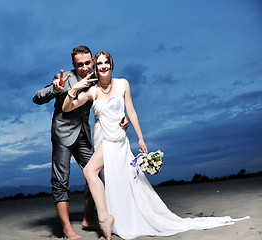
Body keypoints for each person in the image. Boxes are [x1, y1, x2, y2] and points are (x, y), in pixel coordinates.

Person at [62, 51, 249, 240]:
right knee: (106, 176)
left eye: (107, 63)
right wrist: (74, 88)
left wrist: (141, 138)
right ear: (95, 66)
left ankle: (105, 218)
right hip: (103, 137)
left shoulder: (123, 84)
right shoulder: (92, 91)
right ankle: (108, 217)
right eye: (100, 63)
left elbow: (131, 112)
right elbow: (66, 107)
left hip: (118, 138)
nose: (103, 66)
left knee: (101, 174)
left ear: (111, 64)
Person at [33, 46, 128, 240]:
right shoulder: (64, 78)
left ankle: (87, 218)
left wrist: (122, 118)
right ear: (73, 65)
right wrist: (55, 89)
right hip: (62, 135)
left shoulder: (96, 79)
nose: (84, 67)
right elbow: (37, 97)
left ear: (92, 61)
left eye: (87, 63)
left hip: (83, 135)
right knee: (61, 181)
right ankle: (67, 231)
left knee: (98, 174)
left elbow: (110, 101)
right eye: (80, 65)